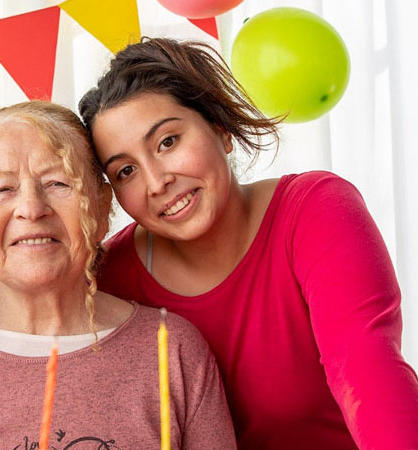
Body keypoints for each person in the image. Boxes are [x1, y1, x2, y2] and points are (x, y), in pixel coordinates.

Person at [78, 37, 418, 449]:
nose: (156, 182)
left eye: (168, 142)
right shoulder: (109, 279)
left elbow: (369, 375)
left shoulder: (317, 211)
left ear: (220, 129)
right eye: (126, 171)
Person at [0, 102, 236, 449]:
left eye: (58, 183)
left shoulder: (172, 350)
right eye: (1, 190)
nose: (31, 208)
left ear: (101, 210)